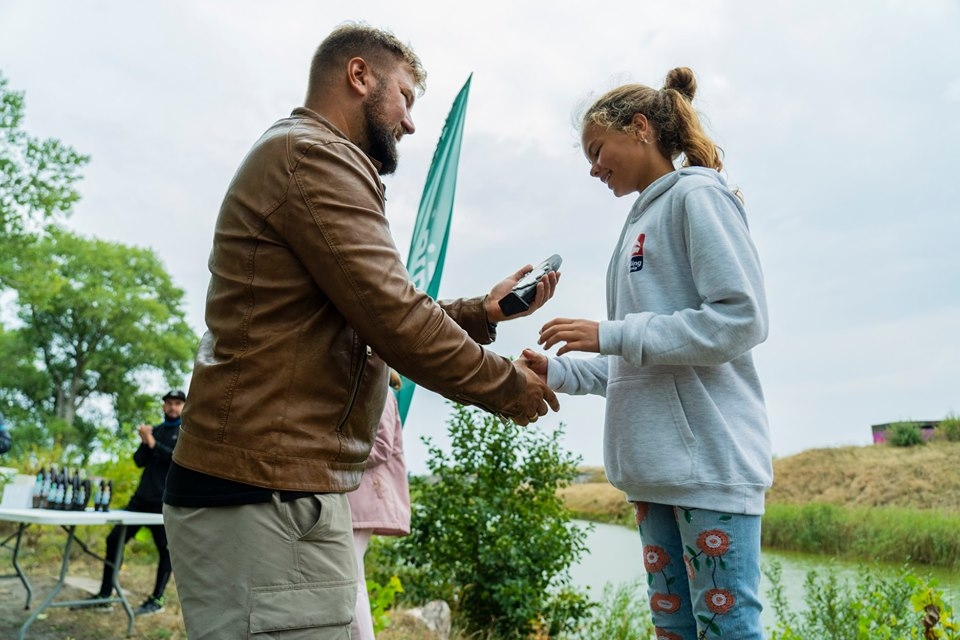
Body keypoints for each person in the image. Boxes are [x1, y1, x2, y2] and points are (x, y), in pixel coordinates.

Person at [162, 22, 560, 639]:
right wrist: (509, 387)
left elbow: (368, 318)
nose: (410, 122)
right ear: (359, 76)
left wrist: (482, 312)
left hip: (280, 490)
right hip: (264, 496)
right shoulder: (313, 157)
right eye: (405, 96)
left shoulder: (306, 157)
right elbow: (392, 317)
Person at [523, 67, 772, 640]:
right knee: (675, 630)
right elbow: (637, 361)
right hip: (654, 472)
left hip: (710, 467)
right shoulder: (639, 220)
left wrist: (612, 333)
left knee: (726, 628)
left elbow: (742, 318)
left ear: (640, 129)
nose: (592, 168)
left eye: (597, 149)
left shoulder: (698, 195)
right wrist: (557, 370)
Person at [93, 389, 184, 615]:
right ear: (163, 406)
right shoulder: (156, 430)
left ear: (183, 407)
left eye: (177, 403)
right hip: (140, 500)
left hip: (163, 502)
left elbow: (175, 459)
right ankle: (106, 594)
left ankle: (157, 599)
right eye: (169, 403)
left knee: (165, 550)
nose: (173, 407)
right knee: (114, 539)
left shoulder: (185, 433)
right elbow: (138, 461)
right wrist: (145, 442)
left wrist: (152, 442)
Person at [347, 369, 409, 640]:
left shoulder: (380, 390)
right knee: (349, 577)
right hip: (356, 497)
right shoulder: (371, 388)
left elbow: (381, 445)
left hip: (365, 497)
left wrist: (334, 451)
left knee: (350, 577)